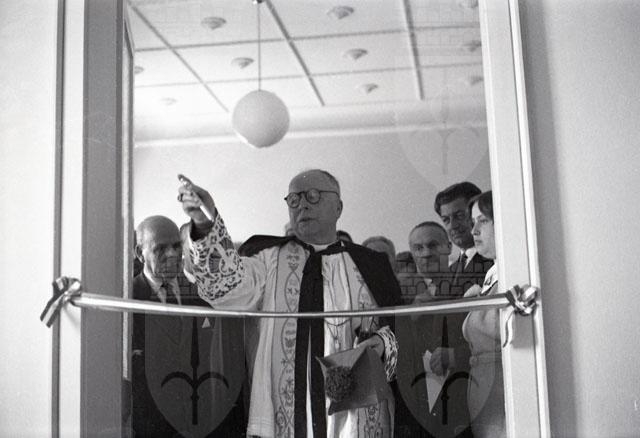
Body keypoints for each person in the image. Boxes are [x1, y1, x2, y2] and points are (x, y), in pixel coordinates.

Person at [177, 169, 401, 438]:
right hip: (281, 417)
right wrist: (204, 222)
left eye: (313, 196)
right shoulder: (267, 258)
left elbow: (396, 334)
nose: (302, 205)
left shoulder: (371, 266)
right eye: (294, 199)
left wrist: (381, 343)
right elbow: (227, 285)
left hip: (355, 418)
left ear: (338, 207)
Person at [131, 216, 246, 437]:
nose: (172, 254)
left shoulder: (206, 295)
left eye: (176, 246)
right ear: (139, 253)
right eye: (160, 248)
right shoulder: (127, 298)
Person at [463, 190, 504, 438]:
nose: (474, 230)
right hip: (483, 389)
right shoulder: (492, 272)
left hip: (502, 387)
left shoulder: (517, 269)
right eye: (473, 222)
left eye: (483, 220)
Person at [434, 182, 493, 297]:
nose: (453, 225)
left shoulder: (496, 262)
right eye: (446, 220)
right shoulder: (446, 276)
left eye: (459, 216)